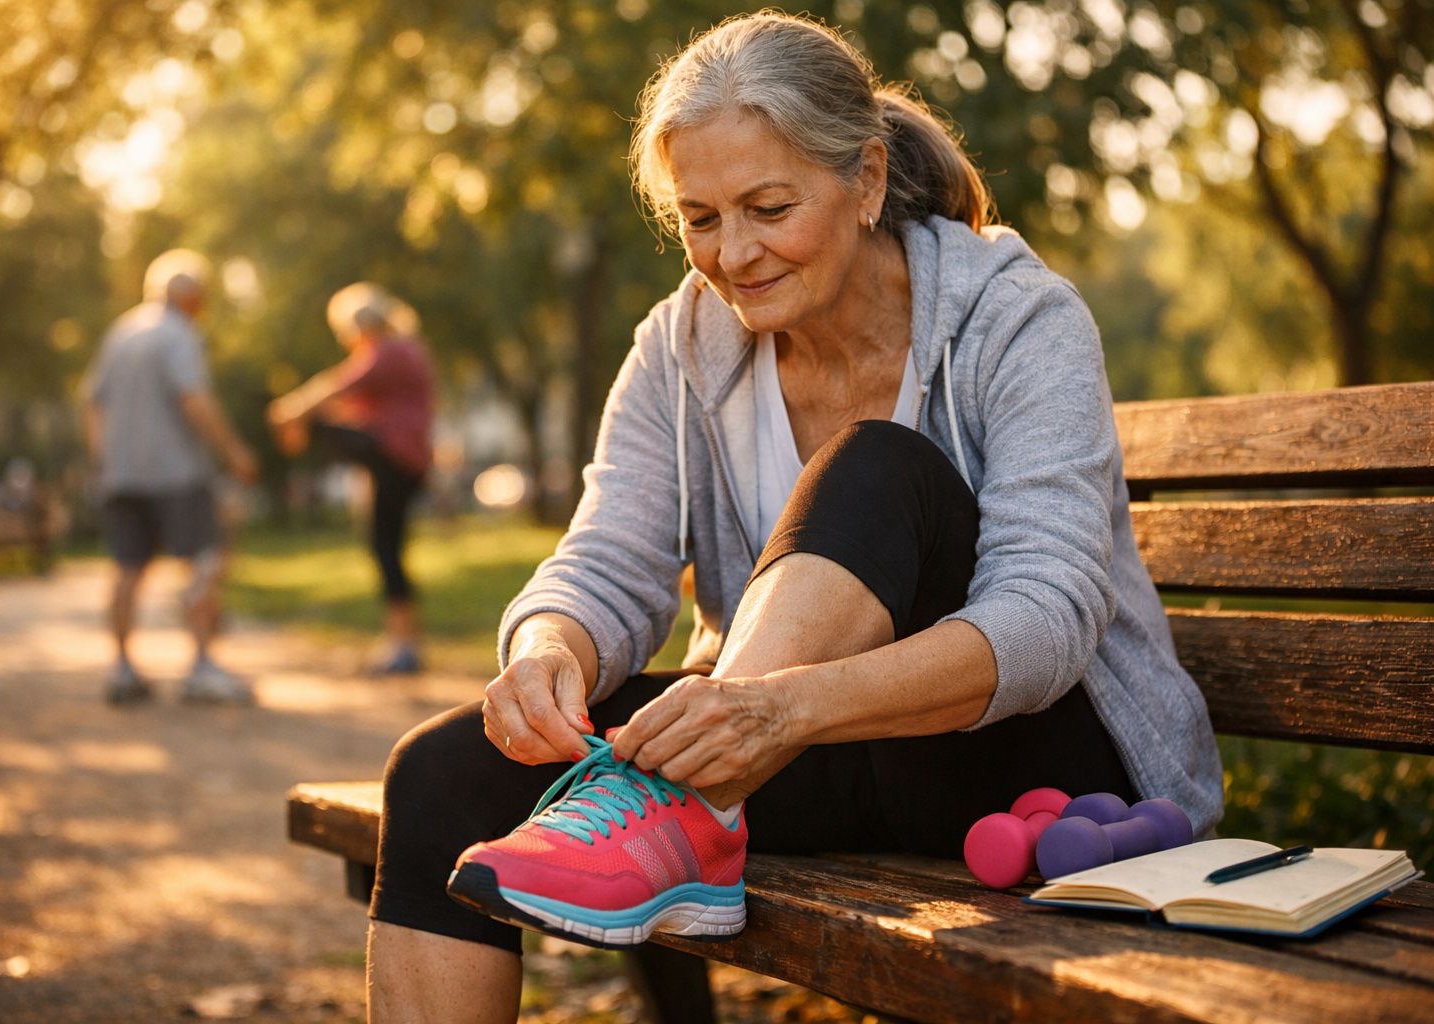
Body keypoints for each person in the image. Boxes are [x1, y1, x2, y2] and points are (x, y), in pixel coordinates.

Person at [365, 13, 1224, 1021]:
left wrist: (781, 709)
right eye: (699, 217)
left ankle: (678, 805)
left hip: (1040, 764)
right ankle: (685, 805)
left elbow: (1046, 617)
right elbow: (610, 558)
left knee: (876, 466)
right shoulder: (680, 344)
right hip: (780, 753)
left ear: (864, 180)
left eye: (769, 207)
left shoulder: (1015, 316)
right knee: (440, 774)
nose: (732, 255)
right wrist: (549, 646)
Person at [81, 249, 259, 705]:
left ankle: (122, 668)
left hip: (122, 473)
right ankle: (201, 666)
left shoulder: (121, 332)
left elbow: (91, 404)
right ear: (191, 297)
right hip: (177, 470)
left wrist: (107, 460)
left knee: (127, 569)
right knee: (204, 560)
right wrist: (234, 450)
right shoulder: (179, 333)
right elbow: (193, 400)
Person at [267, 283, 435, 674]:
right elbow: (349, 400)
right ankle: (402, 642)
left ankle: (405, 646)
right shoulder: (400, 350)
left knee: (386, 546)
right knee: (385, 546)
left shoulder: (391, 351)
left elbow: (336, 384)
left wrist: (290, 414)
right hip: (395, 460)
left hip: (395, 458)